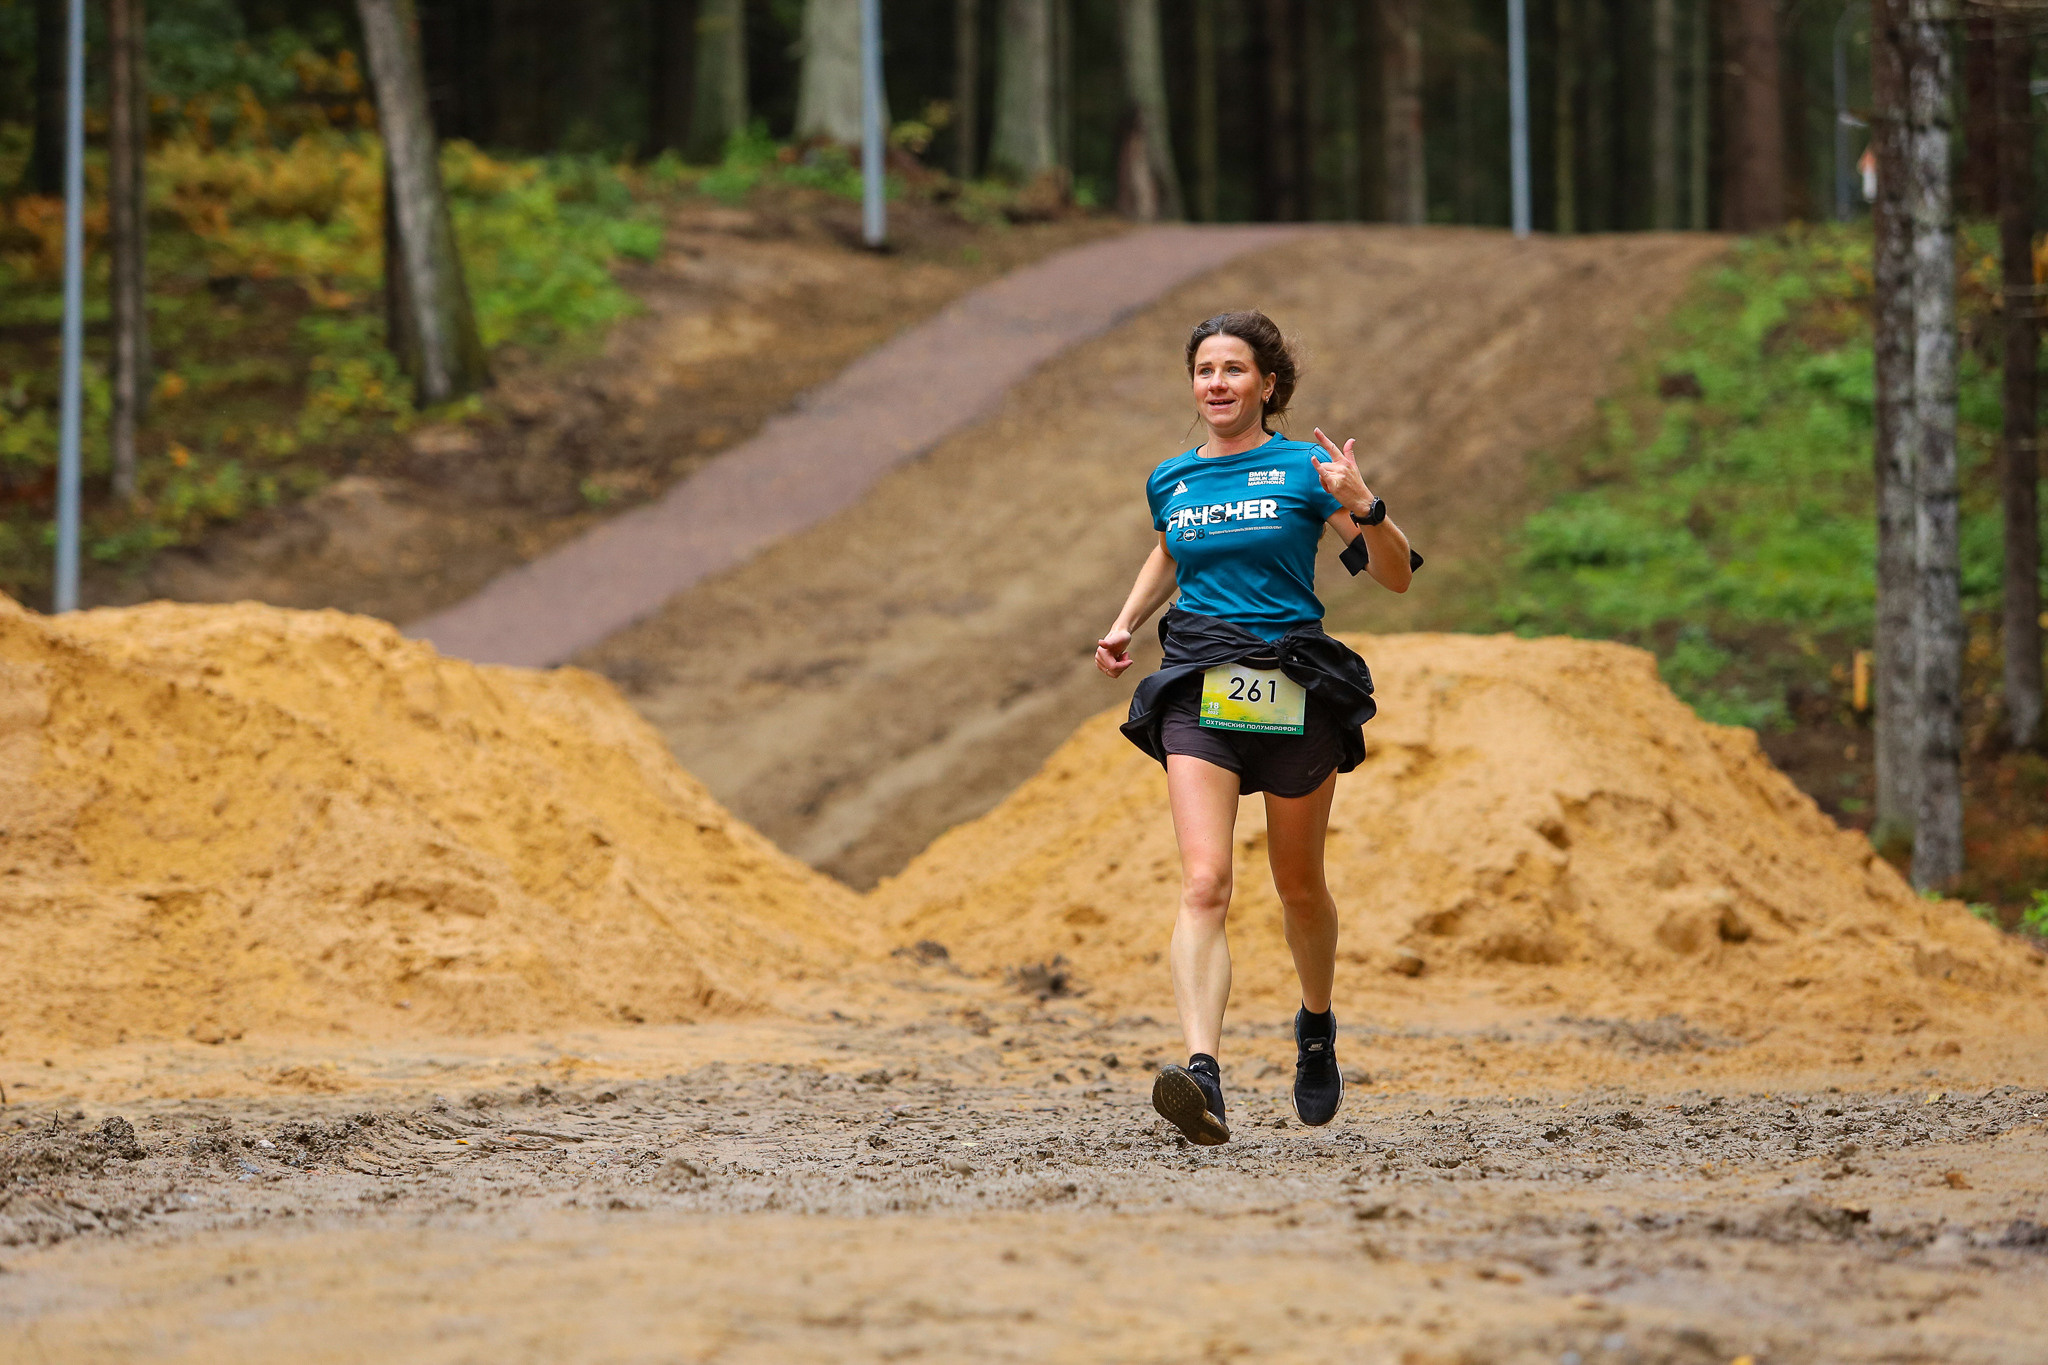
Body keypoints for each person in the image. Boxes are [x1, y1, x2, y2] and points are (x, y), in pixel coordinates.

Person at [1094, 310, 1416, 1146]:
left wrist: (1366, 504)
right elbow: (1169, 550)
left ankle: (1315, 1024)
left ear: (1267, 384)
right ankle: (1203, 1073)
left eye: (1234, 369)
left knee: (1298, 885)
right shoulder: (1173, 477)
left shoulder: (1307, 472)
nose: (1217, 384)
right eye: (1205, 369)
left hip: (1294, 685)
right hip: (1200, 684)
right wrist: (1128, 620)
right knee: (1204, 882)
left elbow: (1395, 579)